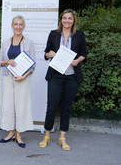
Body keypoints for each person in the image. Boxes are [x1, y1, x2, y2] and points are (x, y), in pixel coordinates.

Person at [39, 9, 88, 151]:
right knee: (51, 106)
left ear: (74, 21)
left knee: (66, 108)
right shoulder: (54, 34)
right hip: (55, 75)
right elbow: (46, 53)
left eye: (70, 19)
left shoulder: (79, 35)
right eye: (64, 18)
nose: (67, 21)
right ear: (61, 19)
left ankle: (62, 138)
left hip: (72, 76)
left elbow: (84, 53)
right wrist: (50, 54)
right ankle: (46, 136)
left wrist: (77, 60)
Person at [0, 15, 35, 148]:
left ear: (23, 27)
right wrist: (7, 61)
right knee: (8, 106)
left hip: (22, 79)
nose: (18, 27)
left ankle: (19, 134)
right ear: (12, 26)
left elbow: (32, 65)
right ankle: (10, 132)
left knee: (21, 106)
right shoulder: (6, 42)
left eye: (20, 24)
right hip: (8, 78)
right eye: (16, 24)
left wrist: (24, 76)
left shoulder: (29, 42)